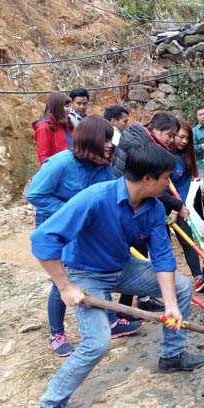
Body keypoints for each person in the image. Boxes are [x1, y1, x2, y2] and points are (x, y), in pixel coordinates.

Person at [33, 142, 204, 408]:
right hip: (85, 273)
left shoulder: (153, 207)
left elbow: (163, 258)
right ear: (147, 179)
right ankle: (51, 403)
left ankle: (171, 355)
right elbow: (42, 240)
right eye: (166, 177)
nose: (169, 184)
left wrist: (171, 305)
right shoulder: (94, 199)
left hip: (121, 267)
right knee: (98, 342)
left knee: (180, 286)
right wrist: (65, 287)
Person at [26, 116, 142, 357]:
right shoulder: (60, 163)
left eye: (111, 140)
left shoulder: (104, 165)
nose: (110, 145)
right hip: (58, 225)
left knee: (98, 268)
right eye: (106, 140)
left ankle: (111, 320)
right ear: (90, 140)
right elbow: (35, 194)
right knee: (65, 278)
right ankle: (56, 334)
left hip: (87, 228)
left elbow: (108, 194)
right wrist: (72, 212)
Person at [114, 112, 186, 312]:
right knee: (135, 255)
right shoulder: (139, 147)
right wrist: (178, 205)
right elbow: (149, 185)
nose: (172, 140)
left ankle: (137, 302)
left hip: (138, 203)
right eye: (169, 135)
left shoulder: (141, 139)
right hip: (129, 204)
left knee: (142, 252)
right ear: (155, 130)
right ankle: (124, 311)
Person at [169, 118, 204, 292]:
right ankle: (161, 286)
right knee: (162, 246)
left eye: (187, 138)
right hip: (158, 205)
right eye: (181, 137)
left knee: (188, 240)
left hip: (177, 205)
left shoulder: (186, 157)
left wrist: (177, 207)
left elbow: (184, 187)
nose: (184, 141)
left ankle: (199, 278)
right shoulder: (164, 155)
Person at [32, 91, 74, 164]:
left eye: (70, 106)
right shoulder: (44, 128)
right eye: (66, 106)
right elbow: (44, 157)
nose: (69, 110)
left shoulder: (67, 124)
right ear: (57, 107)